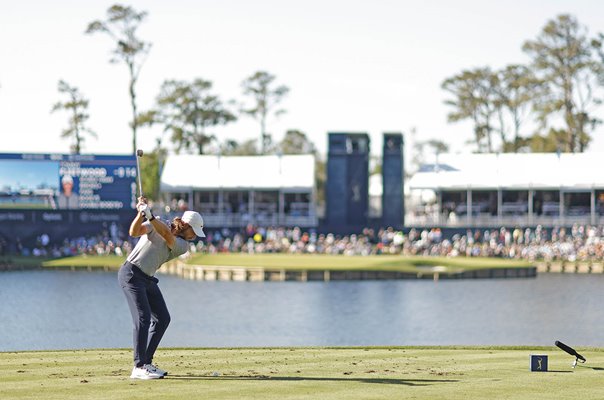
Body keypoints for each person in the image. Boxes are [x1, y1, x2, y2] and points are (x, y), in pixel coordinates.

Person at [118, 196, 205, 380]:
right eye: (194, 232)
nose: (195, 237)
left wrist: (149, 215)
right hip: (131, 274)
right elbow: (134, 232)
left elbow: (166, 235)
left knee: (162, 318)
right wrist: (141, 214)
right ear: (186, 226)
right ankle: (139, 366)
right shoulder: (159, 222)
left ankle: (146, 362)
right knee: (143, 318)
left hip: (147, 278)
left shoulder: (183, 246)